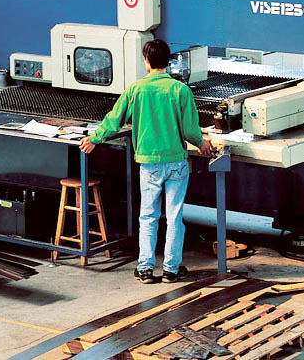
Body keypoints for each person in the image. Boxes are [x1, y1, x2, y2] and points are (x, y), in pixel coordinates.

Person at [80, 39, 212, 284]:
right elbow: (190, 130)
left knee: (149, 216)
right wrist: (202, 143)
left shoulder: (136, 89)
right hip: (176, 162)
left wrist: (94, 139)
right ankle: (171, 270)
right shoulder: (180, 90)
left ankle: (145, 269)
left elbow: (114, 120)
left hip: (149, 164)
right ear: (169, 62)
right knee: (174, 217)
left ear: (146, 62)